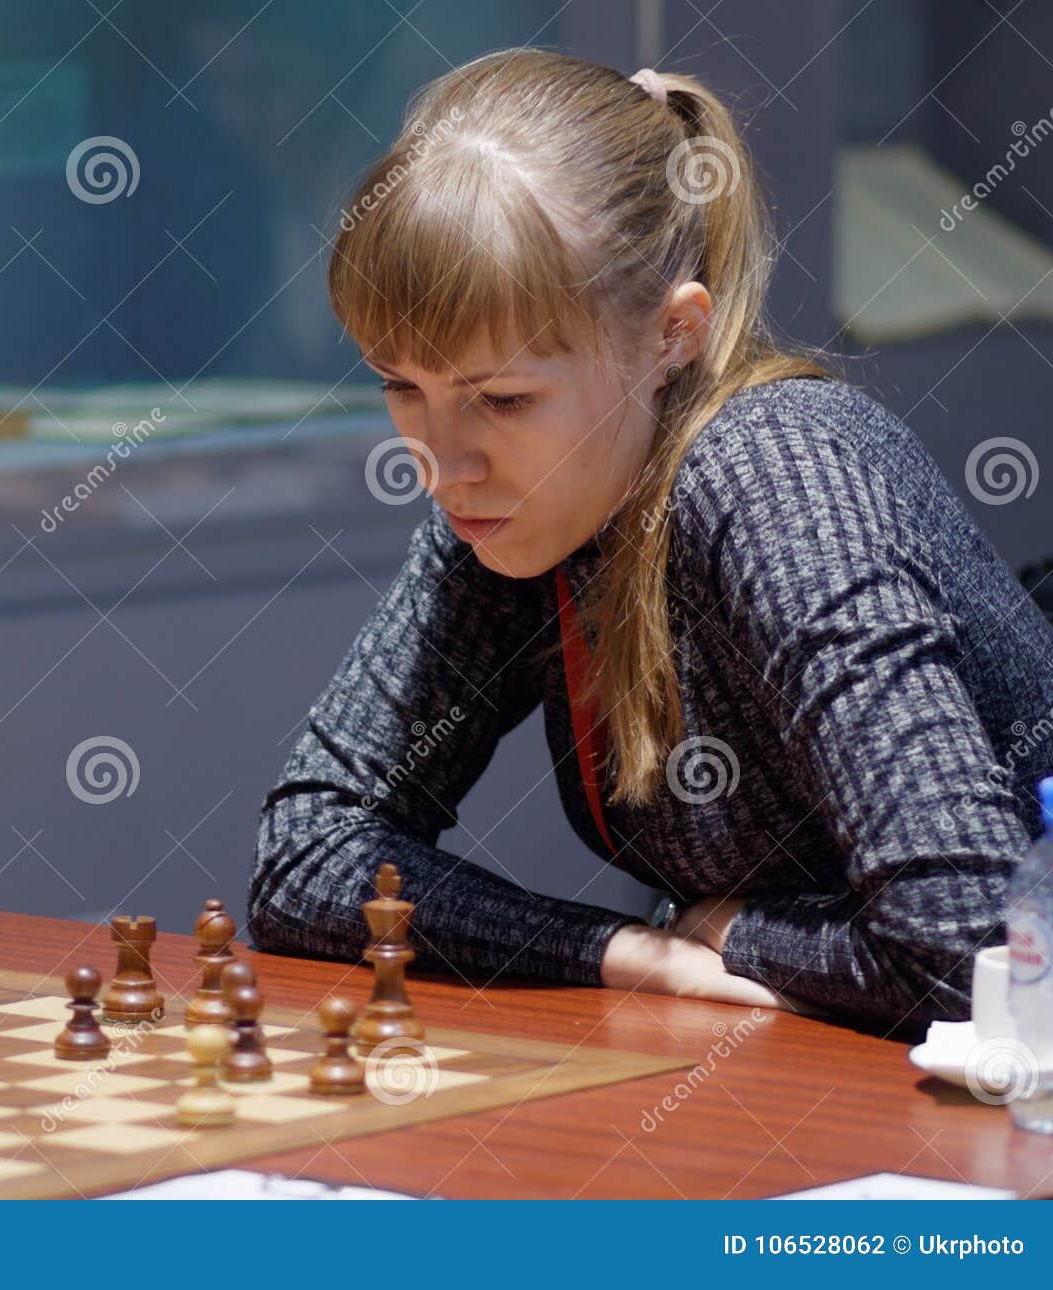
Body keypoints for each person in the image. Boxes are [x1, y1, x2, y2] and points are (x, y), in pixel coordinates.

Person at [246, 49, 1053, 1032]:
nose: (443, 462)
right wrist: (628, 953)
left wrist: (733, 932)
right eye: (401, 386)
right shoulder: (510, 509)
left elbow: (974, 950)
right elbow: (306, 849)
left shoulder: (777, 479)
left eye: (502, 398)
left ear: (672, 333)